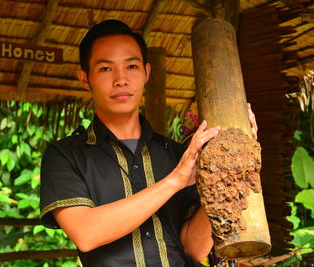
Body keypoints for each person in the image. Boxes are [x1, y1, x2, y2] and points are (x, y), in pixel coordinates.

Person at [39, 19, 258, 267]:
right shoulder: (65, 155)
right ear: (84, 79)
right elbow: (86, 234)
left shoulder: (178, 154)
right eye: (105, 69)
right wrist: (174, 181)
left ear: (147, 73)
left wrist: (229, 168)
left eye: (131, 66)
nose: (121, 79)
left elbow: (193, 248)